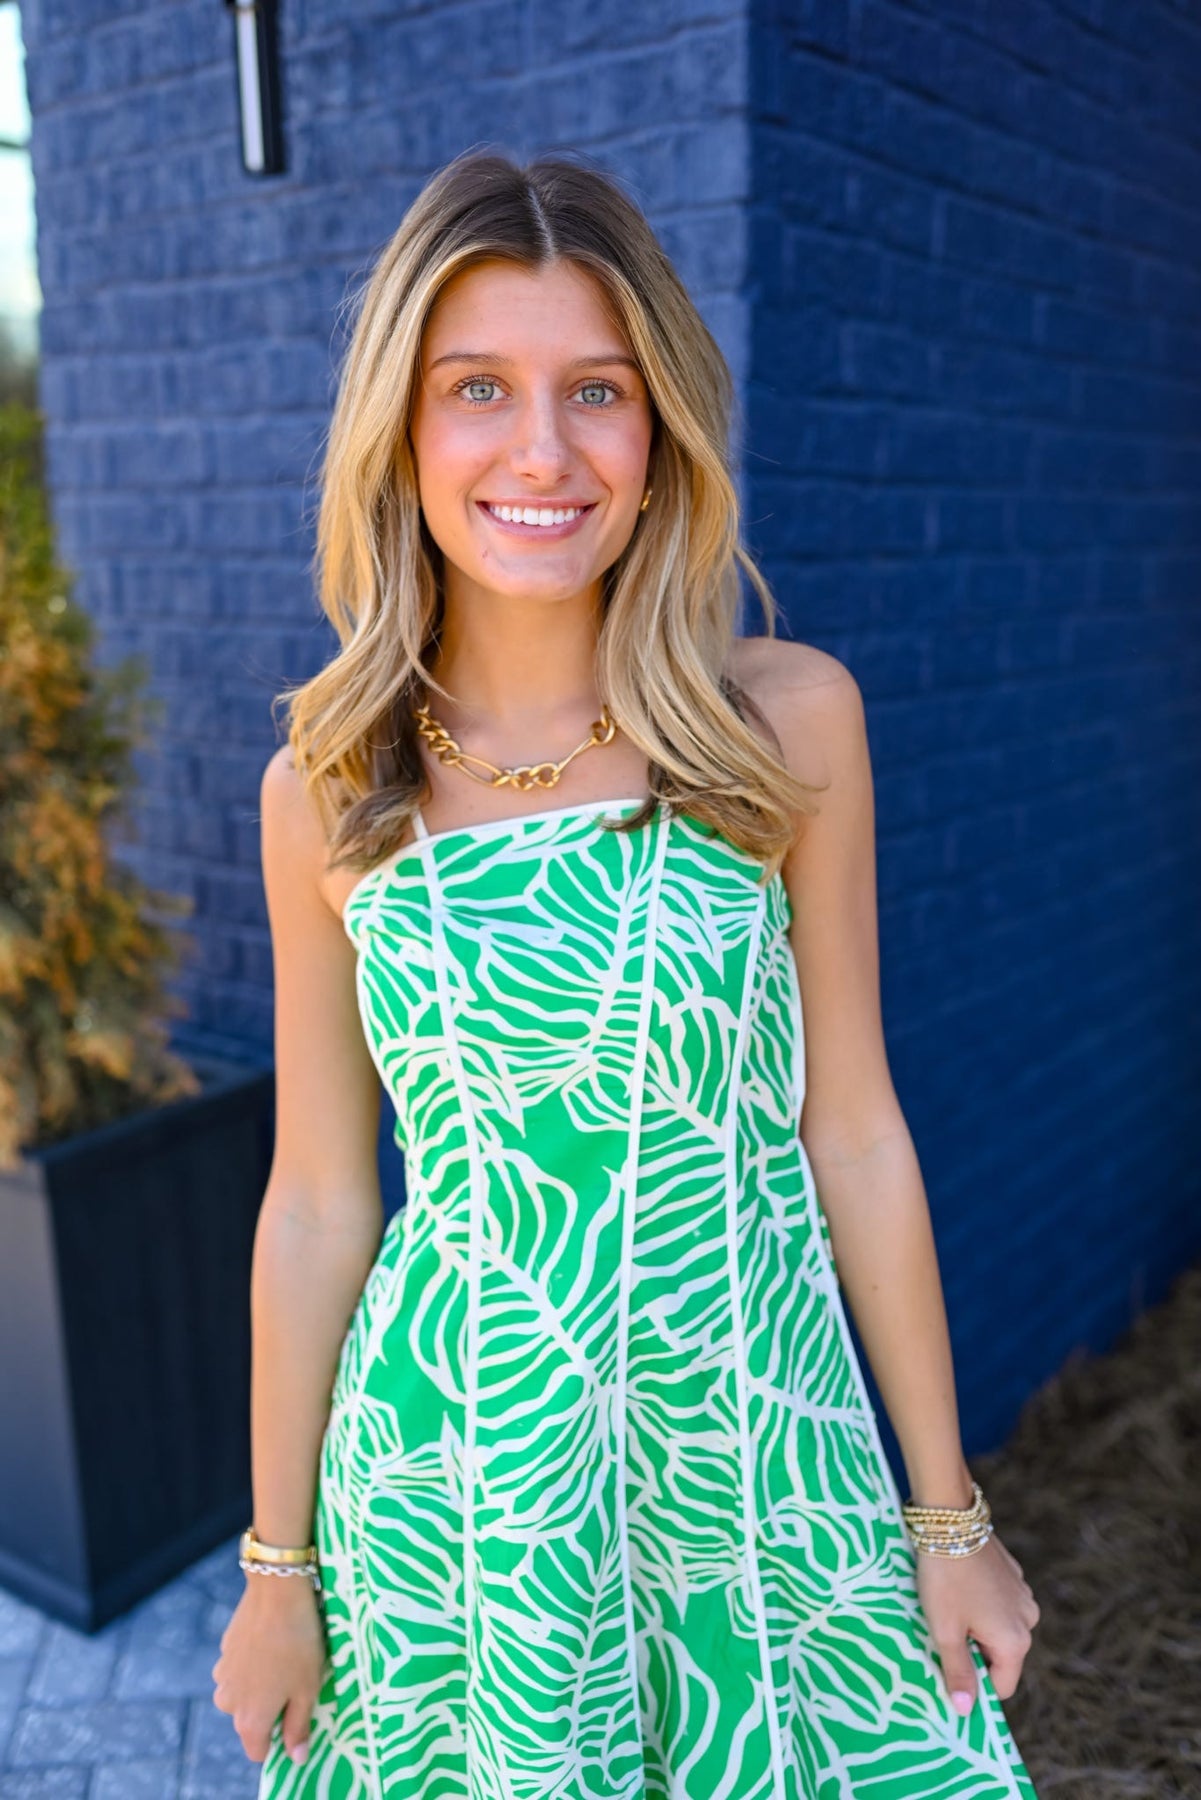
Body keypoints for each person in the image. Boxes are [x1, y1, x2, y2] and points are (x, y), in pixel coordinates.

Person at [211, 147, 1042, 1799]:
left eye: (596, 389)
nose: (542, 449)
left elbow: (853, 1131)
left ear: (658, 433)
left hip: (757, 1451)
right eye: (476, 389)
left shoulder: (781, 724)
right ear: (400, 433)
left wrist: (945, 1516)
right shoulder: (328, 788)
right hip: (467, 1486)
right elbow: (317, 1201)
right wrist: (276, 1573)